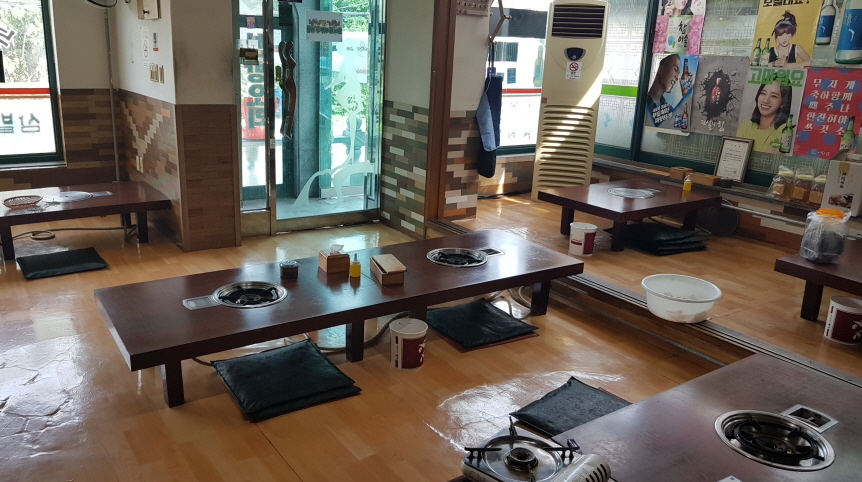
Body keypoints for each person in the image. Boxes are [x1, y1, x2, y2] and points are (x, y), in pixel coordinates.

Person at [736, 80, 792, 153]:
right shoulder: (746, 126)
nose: (765, 100)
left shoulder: (784, 130)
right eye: (763, 93)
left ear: (783, 103)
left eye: (774, 96)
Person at [646, 54, 681, 127]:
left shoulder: (669, 110)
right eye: (675, 69)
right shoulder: (642, 104)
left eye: (678, 73)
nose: (677, 77)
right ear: (660, 70)